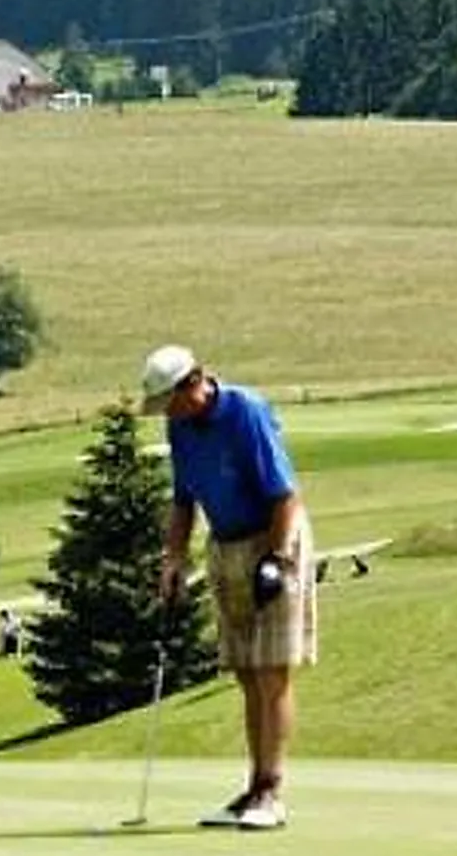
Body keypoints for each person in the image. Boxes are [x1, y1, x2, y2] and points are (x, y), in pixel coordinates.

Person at [141, 344, 317, 832]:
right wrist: (173, 559)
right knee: (244, 672)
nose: (166, 414)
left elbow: (285, 495)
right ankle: (253, 787)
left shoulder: (246, 412)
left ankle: (271, 791)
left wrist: (278, 562)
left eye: (169, 402)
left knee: (271, 673)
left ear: (193, 383)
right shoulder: (179, 425)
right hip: (225, 544)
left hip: (274, 538)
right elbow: (182, 501)